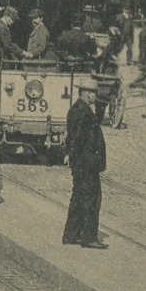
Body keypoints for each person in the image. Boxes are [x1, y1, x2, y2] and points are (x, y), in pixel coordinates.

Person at [62, 77, 108, 248]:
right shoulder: (83, 112)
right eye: (94, 93)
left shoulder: (78, 109)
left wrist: (70, 155)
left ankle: (71, 234)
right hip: (86, 163)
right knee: (91, 199)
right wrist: (72, 155)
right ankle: (89, 237)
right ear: (88, 94)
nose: (95, 96)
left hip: (81, 162)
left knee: (78, 197)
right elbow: (77, 138)